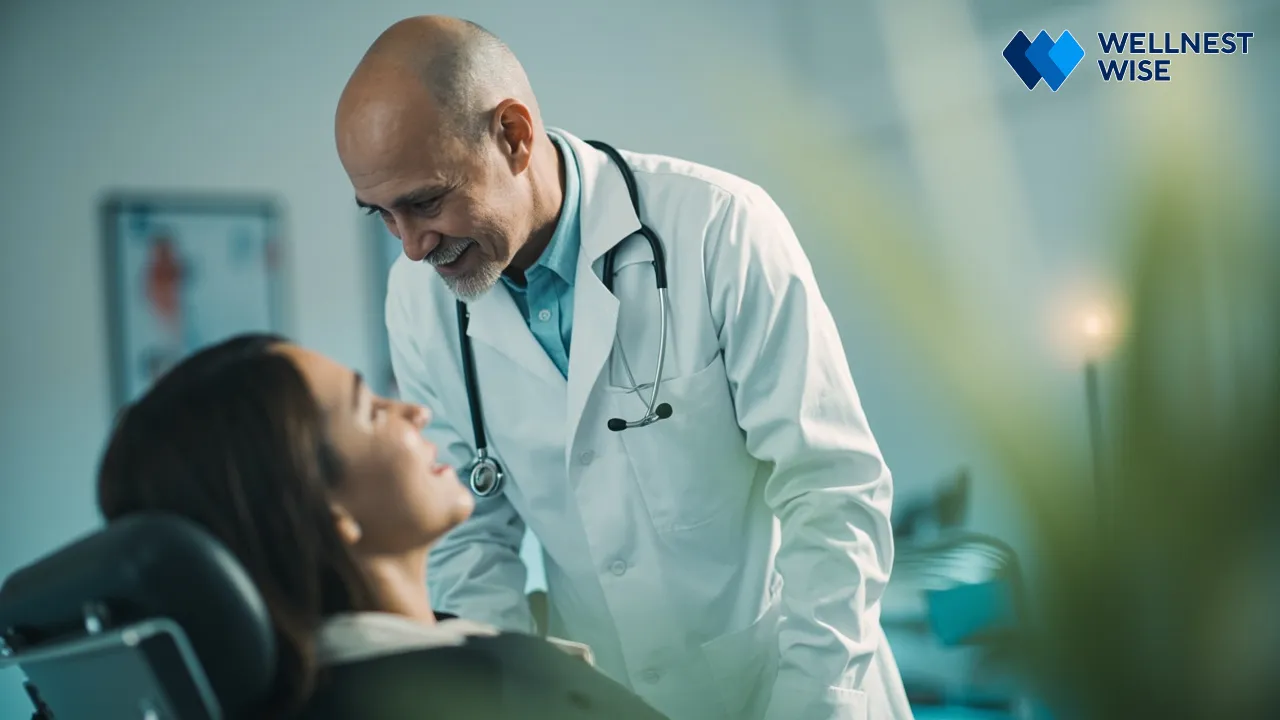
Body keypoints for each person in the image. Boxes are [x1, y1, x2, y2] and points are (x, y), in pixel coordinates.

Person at [336, 15, 912, 720]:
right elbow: (470, 543)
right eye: (382, 216)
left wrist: (809, 701)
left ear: (513, 136)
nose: (413, 249)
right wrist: (519, 703)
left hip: (793, 683)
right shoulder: (419, 302)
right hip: (604, 699)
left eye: (425, 202)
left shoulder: (718, 228)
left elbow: (832, 490)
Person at [94, 333, 669, 720]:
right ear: (325, 509)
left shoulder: (297, 694)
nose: (413, 413)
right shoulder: (482, 688)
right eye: (370, 410)